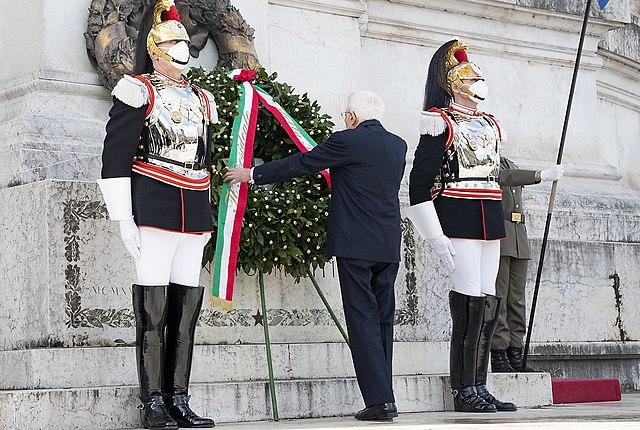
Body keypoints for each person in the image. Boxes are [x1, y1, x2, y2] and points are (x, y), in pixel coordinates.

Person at [224, 91, 407, 421]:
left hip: (355, 245)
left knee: (362, 321)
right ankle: (387, 397)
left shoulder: (347, 141)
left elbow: (303, 163)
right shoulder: (398, 145)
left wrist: (251, 174)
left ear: (351, 116)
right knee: (382, 321)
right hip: (388, 245)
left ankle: (379, 401)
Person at [406, 39, 562, 413]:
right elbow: (418, 184)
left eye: (480, 78)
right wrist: (434, 234)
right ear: (454, 84)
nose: (479, 84)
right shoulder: (439, 122)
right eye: (471, 78)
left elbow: (496, 175)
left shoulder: (490, 124)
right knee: (468, 300)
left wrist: (538, 175)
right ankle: (463, 389)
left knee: (488, 299)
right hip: (458, 213)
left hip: (490, 216)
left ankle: (479, 383)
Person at [97, 1, 217, 428]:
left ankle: (178, 397)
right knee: (153, 310)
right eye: (172, 44)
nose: (183, 50)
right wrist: (122, 218)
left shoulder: (202, 97)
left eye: (184, 43)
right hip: (154, 203)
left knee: (186, 311)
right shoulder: (137, 89)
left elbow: (204, 158)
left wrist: (207, 217)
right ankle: (153, 402)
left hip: (194, 207)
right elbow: (115, 157)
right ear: (155, 49)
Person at [491, 157, 563, 373]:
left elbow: (513, 174)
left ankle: (516, 350)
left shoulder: (511, 163)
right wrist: (540, 175)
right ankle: (499, 352)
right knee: (500, 297)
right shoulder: (488, 163)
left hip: (518, 236)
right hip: (500, 236)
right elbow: (506, 177)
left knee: (517, 298)